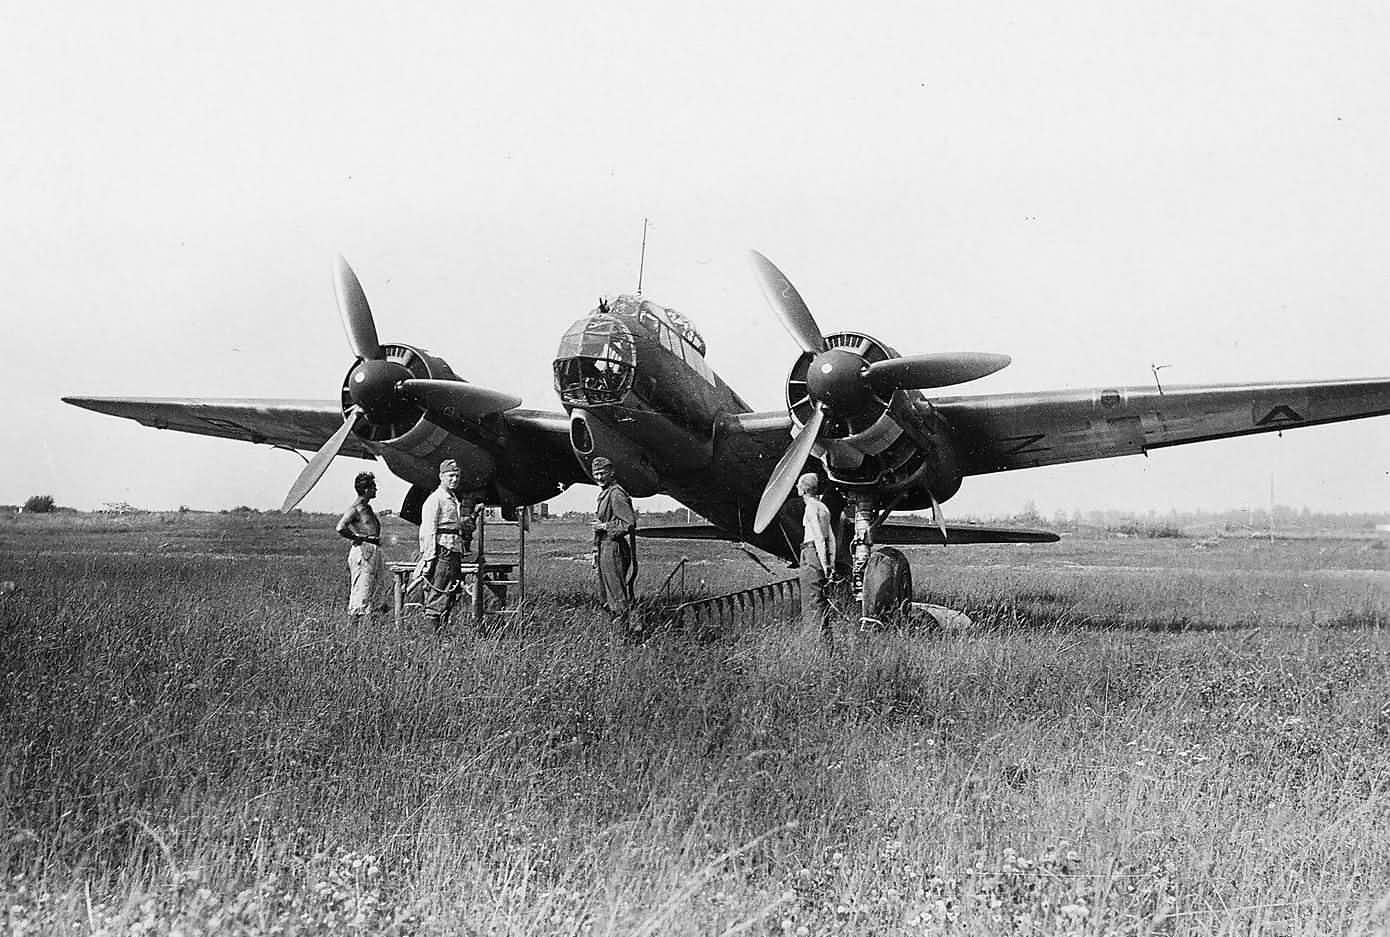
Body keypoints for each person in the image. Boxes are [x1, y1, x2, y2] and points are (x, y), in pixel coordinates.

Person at [418, 459, 477, 633]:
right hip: (442, 550)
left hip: (454, 550)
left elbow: (455, 525)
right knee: (439, 592)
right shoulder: (435, 499)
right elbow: (428, 530)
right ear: (441, 476)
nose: (454, 479)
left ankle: (441, 634)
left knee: (451, 592)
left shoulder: (452, 499)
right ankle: (432, 639)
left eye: (457, 476)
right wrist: (429, 557)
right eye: (451, 476)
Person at [590, 456, 637, 632]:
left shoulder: (616, 494)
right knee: (607, 594)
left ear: (611, 473)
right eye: (596, 474)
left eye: (602, 473)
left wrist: (604, 526)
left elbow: (628, 523)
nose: (599, 477)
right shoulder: (605, 493)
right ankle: (616, 633)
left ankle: (623, 636)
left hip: (614, 547)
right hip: (604, 547)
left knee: (616, 594)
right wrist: (595, 551)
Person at [336, 471, 385, 624]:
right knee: (361, 591)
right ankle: (356, 629)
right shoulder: (356, 508)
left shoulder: (367, 508)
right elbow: (340, 527)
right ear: (366, 489)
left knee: (372, 590)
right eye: (373, 487)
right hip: (364, 551)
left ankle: (369, 628)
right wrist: (358, 538)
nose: (376, 490)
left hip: (372, 549)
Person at [797, 473, 836, 649]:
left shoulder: (811, 508)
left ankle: (815, 648)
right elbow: (832, 539)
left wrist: (823, 563)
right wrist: (831, 562)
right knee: (819, 600)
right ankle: (827, 645)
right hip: (821, 554)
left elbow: (819, 538)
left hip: (811, 553)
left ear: (803, 489)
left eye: (799, 485)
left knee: (811, 602)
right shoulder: (824, 508)